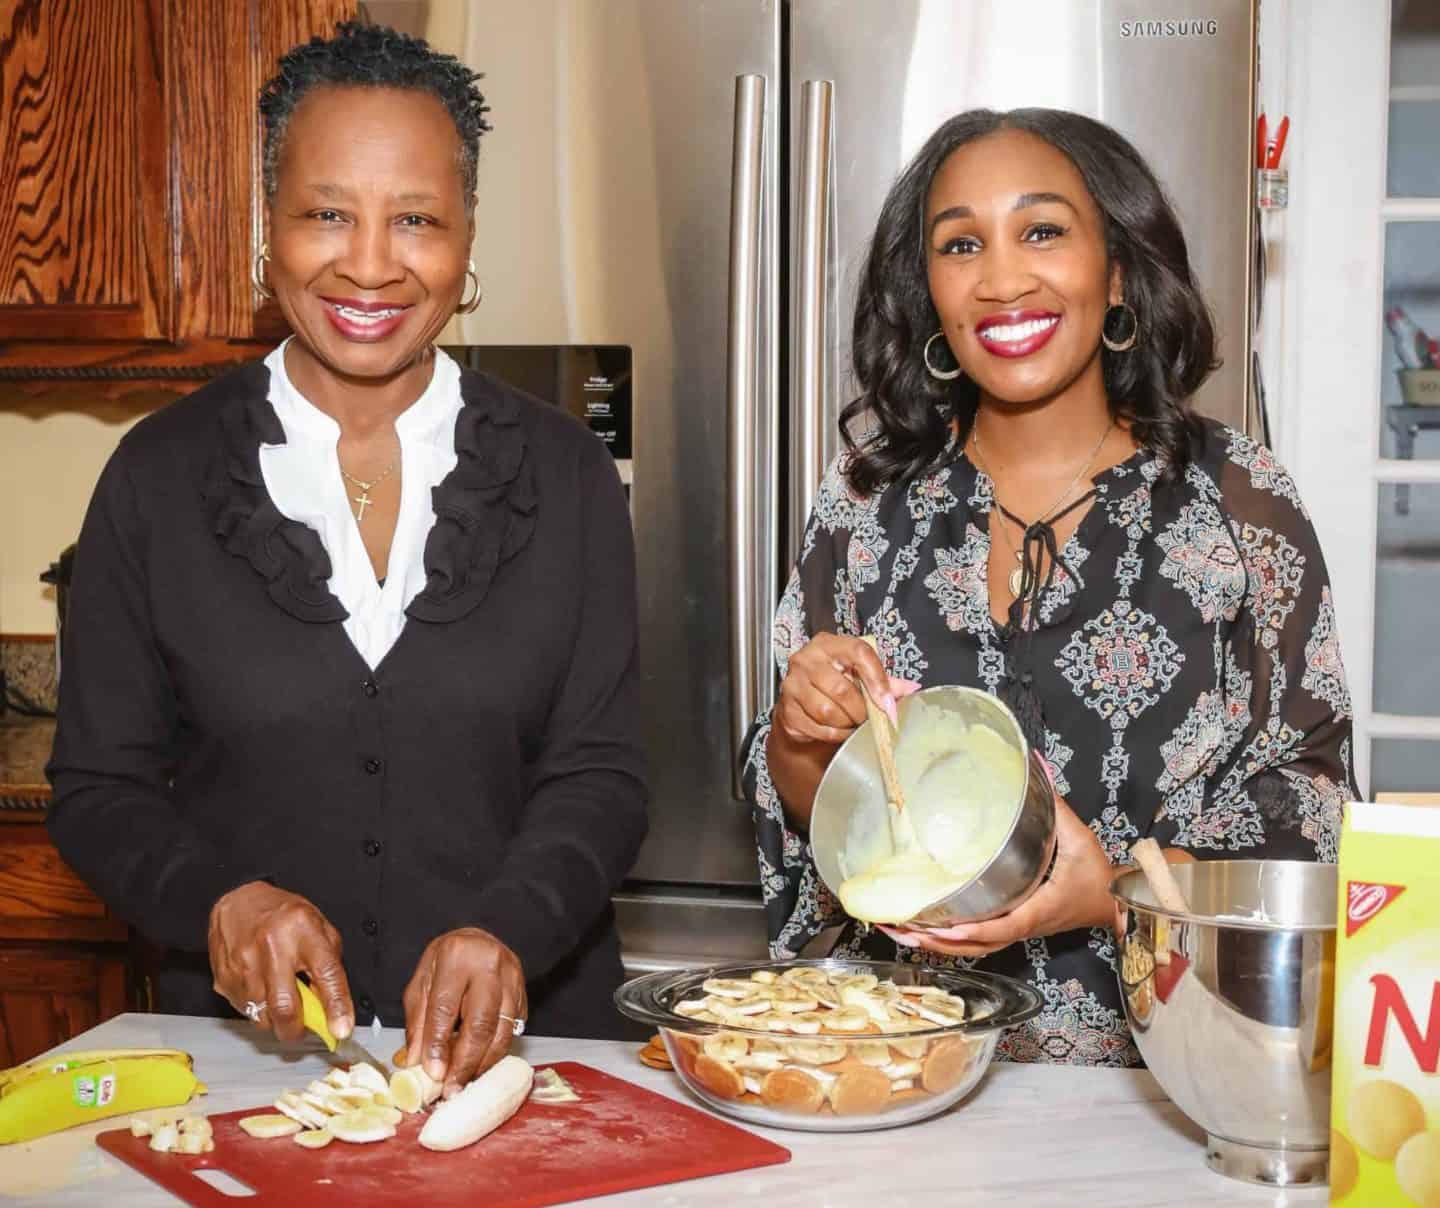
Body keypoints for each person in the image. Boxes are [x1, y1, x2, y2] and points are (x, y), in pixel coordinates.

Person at [46, 22, 647, 1093]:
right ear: (263, 230)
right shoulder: (156, 477)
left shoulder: (567, 475)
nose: (370, 263)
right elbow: (100, 788)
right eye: (327, 213)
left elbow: (599, 776)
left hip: (527, 1077)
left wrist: (508, 927)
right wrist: (219, 901)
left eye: (415, 219)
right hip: (245, 1073)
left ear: (466, 245)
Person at [742, 108, 1354, 1066]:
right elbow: (811, 812)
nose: (1001, 277)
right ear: (929, 291)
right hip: (897, 1073)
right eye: (960, 244)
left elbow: (1309, 806)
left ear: (1116, 270)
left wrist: (1119, 893)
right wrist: (796, 737)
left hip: (1163, 1085)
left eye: (1041, 231)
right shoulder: (864, 504)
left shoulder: (1238, 502)